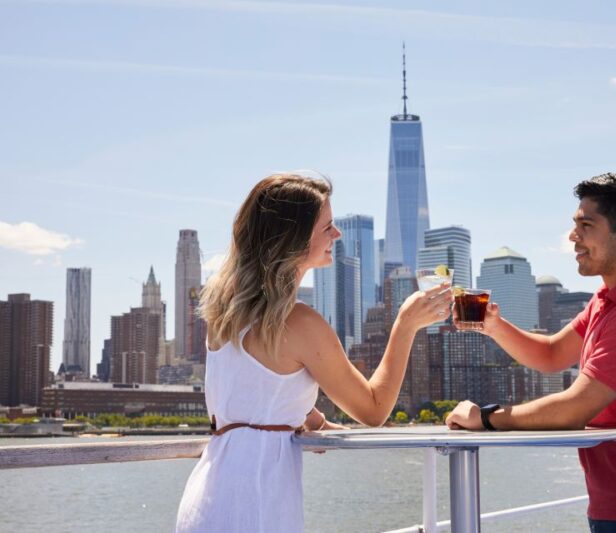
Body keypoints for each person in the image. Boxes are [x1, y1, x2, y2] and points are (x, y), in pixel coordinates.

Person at [175, 173, 452, 533]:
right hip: (256, 505)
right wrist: (405, 324)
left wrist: (313, 419)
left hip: (206, 500)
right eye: (327, 227)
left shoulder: (223, 312)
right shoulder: (300, 323)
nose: (337, 234)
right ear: (293, 239)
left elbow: (256, 390)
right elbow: (373, 409)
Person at [445, 173, 616, 532]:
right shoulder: (608, 299)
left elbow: (575, 408)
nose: (572, 236)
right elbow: (552, 354)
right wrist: (495, 326)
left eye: (586, 225)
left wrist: (485, 418)